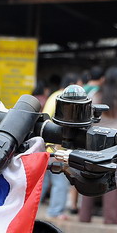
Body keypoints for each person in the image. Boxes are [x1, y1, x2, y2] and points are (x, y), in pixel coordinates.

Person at [78, 66, 117, 224]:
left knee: (89, 176)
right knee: (112, 178)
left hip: (95, 141)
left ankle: (84, 216)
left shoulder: (96, 96)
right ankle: (110, 217)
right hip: (116, 143)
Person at [41, 72, 82, 220]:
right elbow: (58, 124)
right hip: (56, 147)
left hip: (47, 145)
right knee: (59, 180)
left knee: (44, 180)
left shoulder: (54, 96)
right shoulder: (63, 99)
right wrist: (57, 146)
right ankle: (55, 211)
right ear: (71, 85)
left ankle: (29, 208)